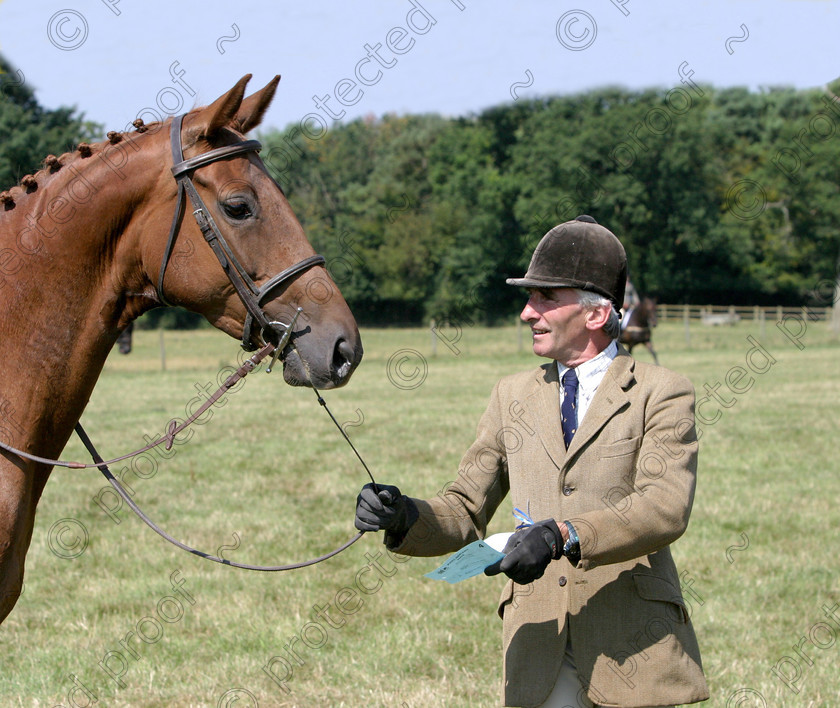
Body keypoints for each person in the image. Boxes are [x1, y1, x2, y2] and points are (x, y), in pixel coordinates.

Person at [355, 215, 708, 708]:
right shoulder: (511, 395)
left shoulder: (662, 392)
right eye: (529, 298)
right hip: (539, 645)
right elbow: (463, 509)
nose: (527, 312)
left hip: (634, 645)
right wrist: (404, 514)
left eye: (545, 298)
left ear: (596, 313)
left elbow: (664, 506)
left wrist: (564, 533)